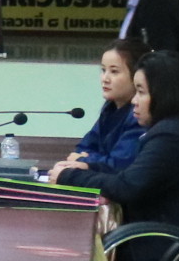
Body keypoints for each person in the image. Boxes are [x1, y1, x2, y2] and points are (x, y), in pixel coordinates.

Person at [95, 49, 179, 233]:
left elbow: (127, 187)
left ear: (165, 94)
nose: (134, 100)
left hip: (156, 240)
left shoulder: (171, 137)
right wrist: (87, 168)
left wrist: (69, 177)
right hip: (152, 232)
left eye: (141, 92)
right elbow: (131, 174)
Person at [46, 39, 147, 185]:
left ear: (137, 76)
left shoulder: (139, 115)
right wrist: (85, 159)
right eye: (103, 70)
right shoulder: (110, 108)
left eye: (114, 71)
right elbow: (84, 147)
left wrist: (84, 160)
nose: (105, 78)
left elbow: (119, 163)